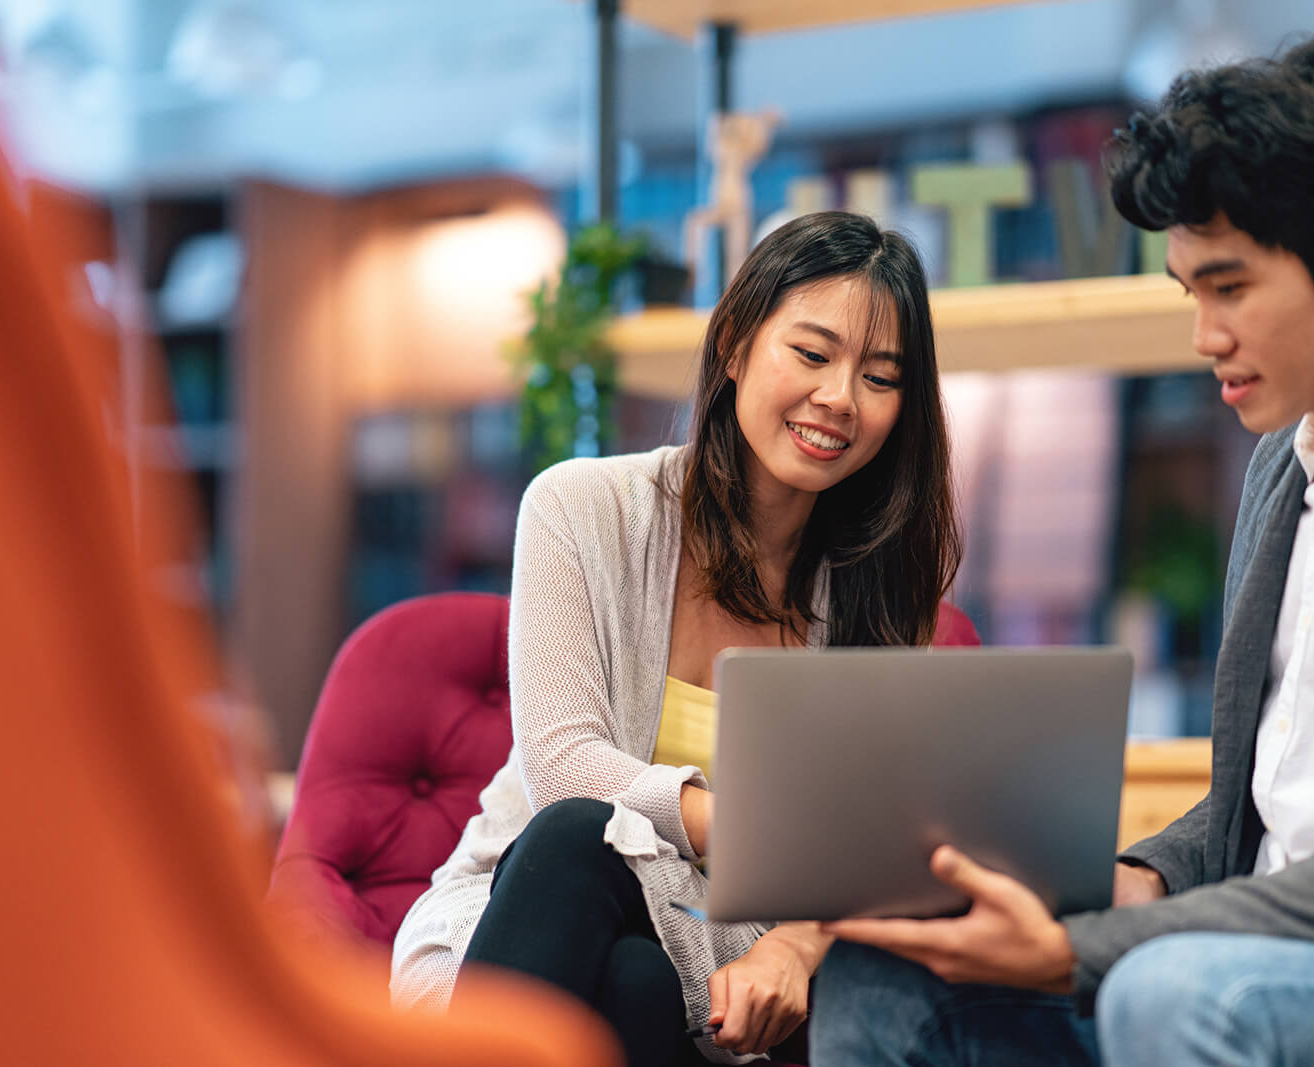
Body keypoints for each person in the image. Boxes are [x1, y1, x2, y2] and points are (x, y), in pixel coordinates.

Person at [810, 34, 1314, 1067]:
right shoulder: (1287, 461)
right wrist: (1128, 877)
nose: (1201, 335)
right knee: (885, 964)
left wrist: (1071, 946)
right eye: (1189, 291)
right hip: (1241, 950)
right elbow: (1255, 808)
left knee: (1164, 990)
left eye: (1228, 288)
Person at [392, 210, 962, 1067]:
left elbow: (873, 836)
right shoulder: (580, 508)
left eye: (881, 377)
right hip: (524, 912)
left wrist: (799, 945)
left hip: (725, 946)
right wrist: (756, 828)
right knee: (596, 874)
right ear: (733, 343)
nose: (841, 398)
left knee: (642, 980)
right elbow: (564, 769)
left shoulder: (879, 588)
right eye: (812, 355)